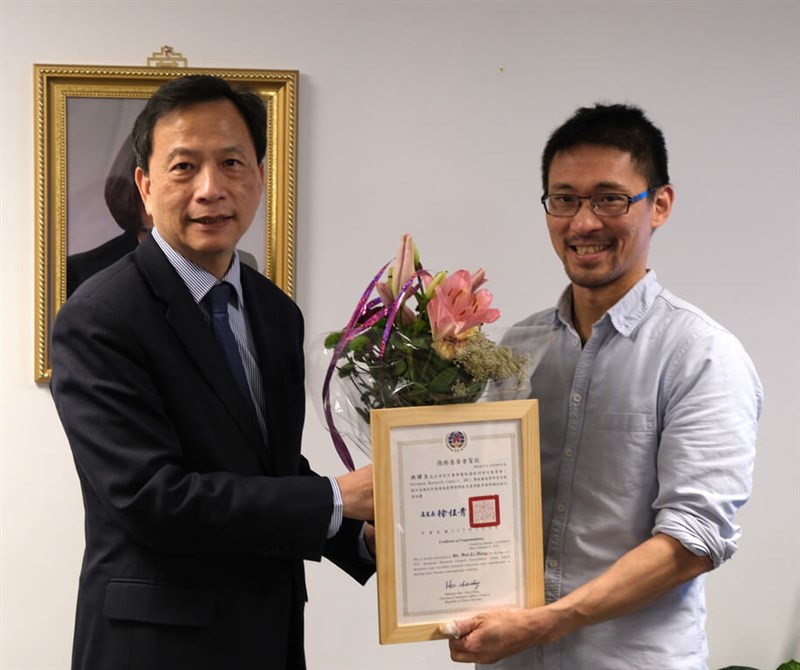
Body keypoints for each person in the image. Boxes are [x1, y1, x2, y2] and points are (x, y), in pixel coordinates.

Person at [50, 75, 375, 670]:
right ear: (145, 187)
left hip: (269, 637)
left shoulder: (276, 312)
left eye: (231, 163)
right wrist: (334, 498)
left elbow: (270, 468)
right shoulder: (99, 317)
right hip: (154, 649)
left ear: (259, 177)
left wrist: (359, 533)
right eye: (184, 167)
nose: (211, 189)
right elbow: (152, 498)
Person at [441, 104, 762, 669]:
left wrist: (543, 623)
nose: (583, 223)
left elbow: (694, 541)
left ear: (659, 204)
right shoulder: (516, 350)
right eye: (564, 199)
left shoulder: (701, 355)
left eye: (610, 199)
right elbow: (475, 492)